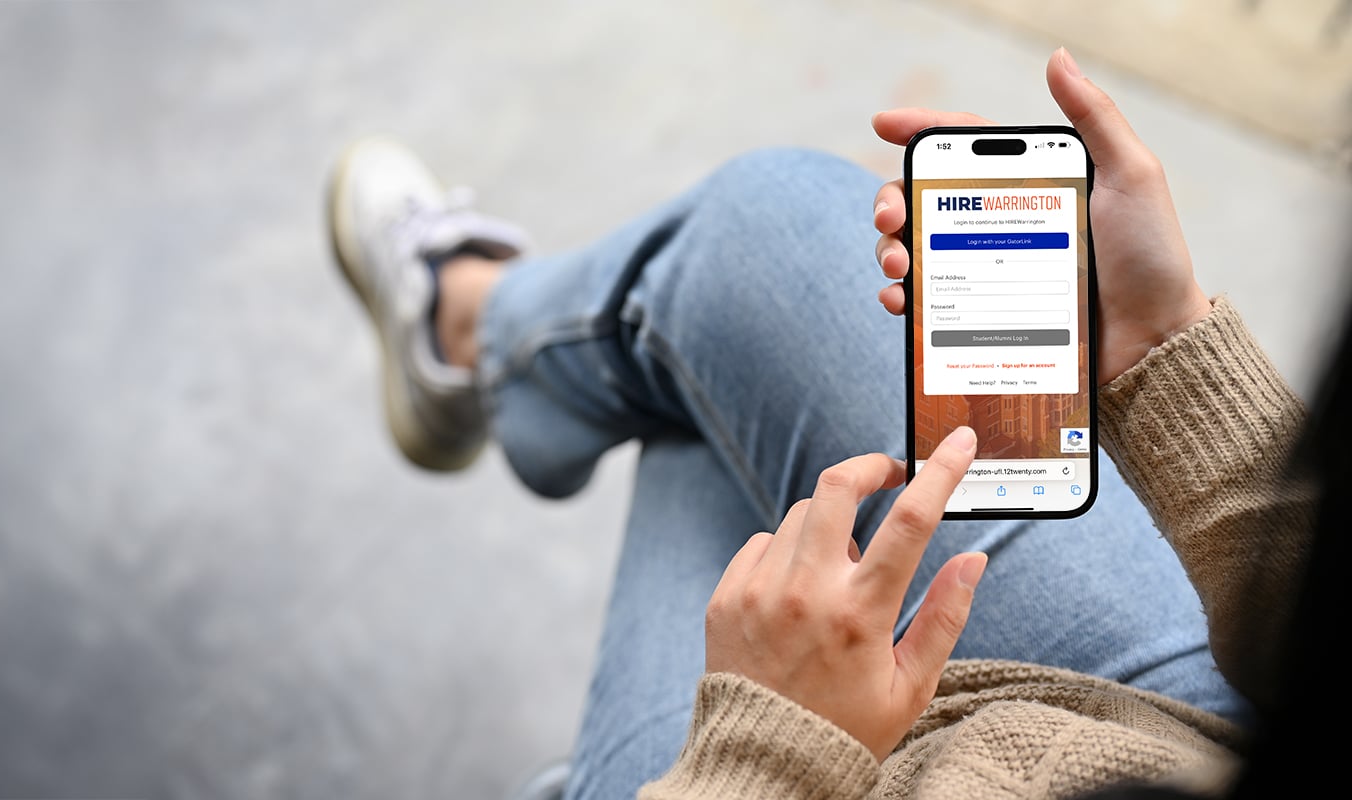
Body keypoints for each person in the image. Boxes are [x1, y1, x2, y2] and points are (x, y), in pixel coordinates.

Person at [325, 47, 1324, 799]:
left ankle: (470, 340)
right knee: (749, 240)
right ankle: (478, 337)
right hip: (1187, 726)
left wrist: (767, 751)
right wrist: (1164, 348)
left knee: (697, 403)